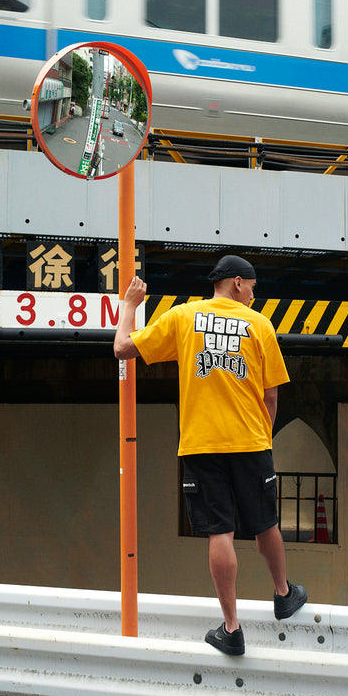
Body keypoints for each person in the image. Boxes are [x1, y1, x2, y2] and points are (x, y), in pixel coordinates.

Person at [114, 255, 307, 655]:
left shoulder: (184, 317)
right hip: (251, 442)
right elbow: (271, 395)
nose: (254, 295)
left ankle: (232, 629)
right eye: (252, 287)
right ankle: (283, 594)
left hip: (202, 444)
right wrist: (262, 436)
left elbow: (122, 348)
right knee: (265, 522)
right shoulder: (260, 326)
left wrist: (130, 306)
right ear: (237, 283)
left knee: (221, 531)